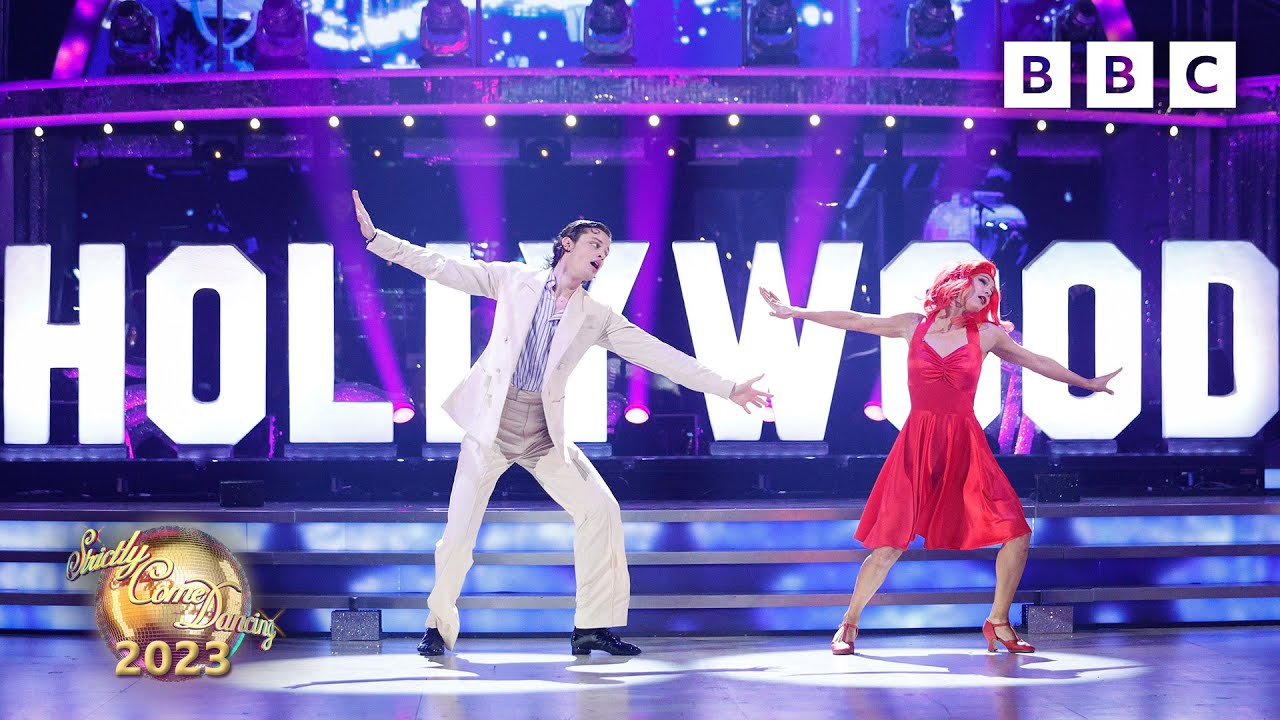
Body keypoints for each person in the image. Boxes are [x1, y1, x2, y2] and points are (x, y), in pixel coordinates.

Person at [353, 190, 771, 656]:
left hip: (542, 433)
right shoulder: (514, 280)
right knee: (458, 535)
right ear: (566, 245)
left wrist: (729, 388)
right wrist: (377, 239)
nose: (602, 255)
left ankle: (591, 626)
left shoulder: (595, 315)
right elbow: (442, 267)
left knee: (601, 510)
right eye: (595, 245)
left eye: (607, 251)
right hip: (491, 427)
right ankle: (437, 625)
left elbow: (660, 356)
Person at [759, 260, 1119, 655]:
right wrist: (795, 312)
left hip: (964, 446)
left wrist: (1086, 383)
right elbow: (855, 319)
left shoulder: (987, 335)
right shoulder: (913, 325)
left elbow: (1037, 361)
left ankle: (998, 621)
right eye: (982, 283)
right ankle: (849, 622)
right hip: (917, 446)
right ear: (958, 283)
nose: (988, 292)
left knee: (1017, 533)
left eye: (991, 289)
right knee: (889, 545)